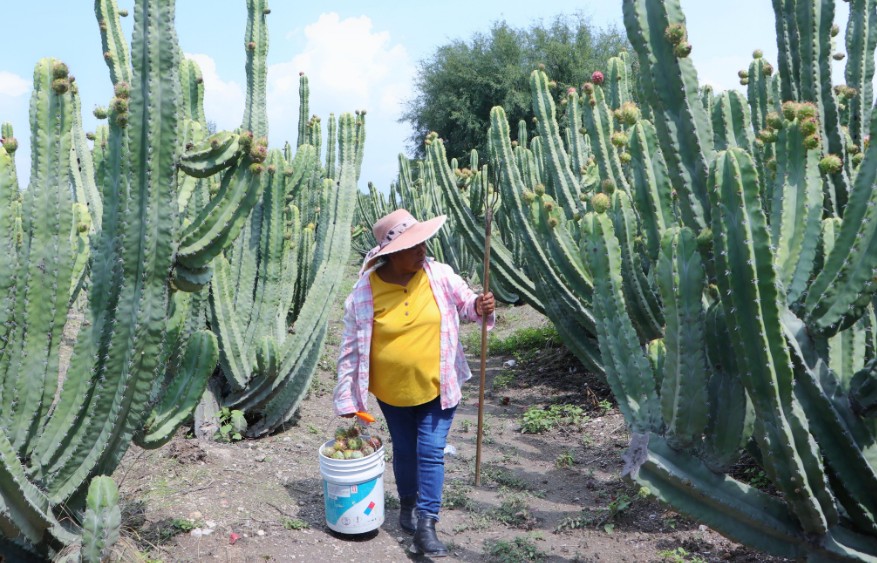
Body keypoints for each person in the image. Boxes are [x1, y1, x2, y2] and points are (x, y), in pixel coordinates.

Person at [333, 208, 495, 557]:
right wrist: (347, 399)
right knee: (405, 450)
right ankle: (407, 504)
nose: (422, 249)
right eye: (412, 246)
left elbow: (466, 305)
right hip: (391, 392)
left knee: (430, 450)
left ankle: (426, 523)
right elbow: (350, 347)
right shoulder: (365, 290)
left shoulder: (439, 274)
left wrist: (479, 306)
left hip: (438, 385)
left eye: (422, 242)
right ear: (391, 254)